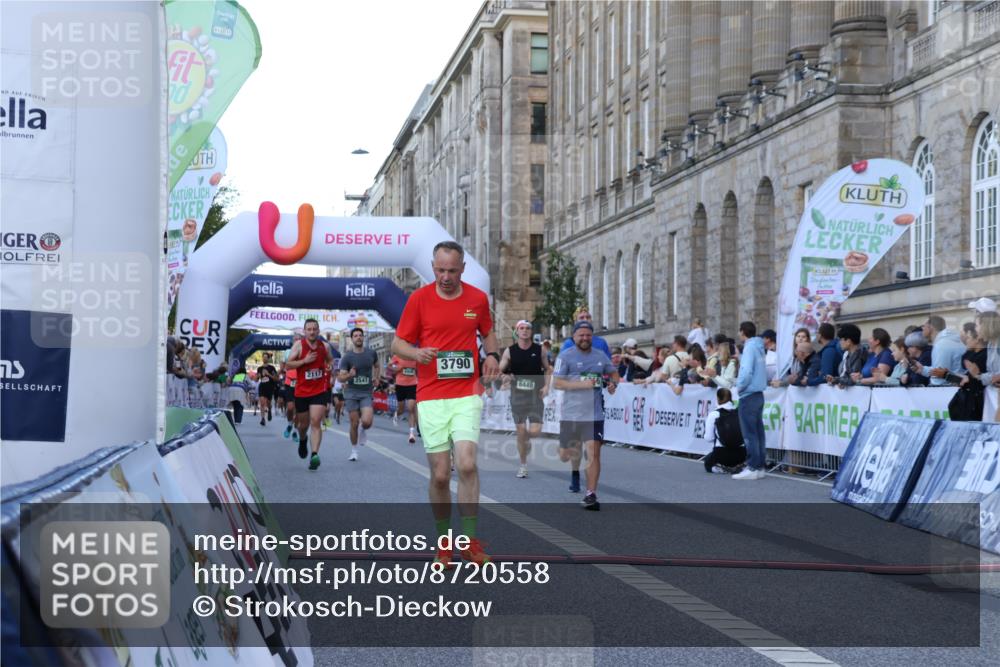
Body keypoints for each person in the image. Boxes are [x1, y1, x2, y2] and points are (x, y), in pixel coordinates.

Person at [391, 240, 500, 568]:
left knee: (466, 465)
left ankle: (468, 543)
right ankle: (443, 544)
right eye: (440, 270)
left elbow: (489, 331)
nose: (446, 276)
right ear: (432, 267)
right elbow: (398, 342)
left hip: (467, 392)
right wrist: (416, 353)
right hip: (432, 396)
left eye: (452, 270)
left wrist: (492, 355)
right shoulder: (418, 300)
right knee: (440, 475)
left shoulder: (477, 299)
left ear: (463, 268)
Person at [553, 320, 620, 509]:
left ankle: (591, 494)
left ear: (592, 337)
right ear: (574, 337)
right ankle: (572, 462)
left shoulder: (600, 356)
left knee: (593, 454)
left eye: (588, 335)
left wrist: (614, 384)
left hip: (594, 413)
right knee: (566, 455)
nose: (584, 338)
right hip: (571, 413)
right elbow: (557, 383)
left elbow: (614, 374)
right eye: (581, 335)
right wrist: (581, 384)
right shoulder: (565, 356)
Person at [499, 319, 552, 478]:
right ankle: (523, 465)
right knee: (521, 431)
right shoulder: (509, 351)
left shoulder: (540, 349)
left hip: (536, 395)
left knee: (534, 432)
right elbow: (499, 371)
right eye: (522, 328)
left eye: (528, 328)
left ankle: (525, 440)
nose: (525, 330)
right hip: (518, 397)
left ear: (531, 331)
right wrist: (506, 377)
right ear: (517, 331)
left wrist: (546, 386)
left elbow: (548, 369)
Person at [285, 320, 332, 470]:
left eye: (314, 329)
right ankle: (303, 440)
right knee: (302, 425)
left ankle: (314, 455)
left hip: (319, 390)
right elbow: (288, 365)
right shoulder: (298, 345)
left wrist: (329, 365)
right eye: (309, 329)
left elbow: (330, 360)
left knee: (316, 421)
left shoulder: (324, 346)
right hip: (302, 392)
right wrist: (304, 361)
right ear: (305, 331)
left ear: (318, 331)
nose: (312, 332)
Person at [339, 327, 380, 462]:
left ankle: (363, 429)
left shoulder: (371, 353)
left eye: (360, 335)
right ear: (352, 339)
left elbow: (377, 365)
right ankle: (354, 451)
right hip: (351, 393)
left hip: (366, 392)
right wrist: (349, 375)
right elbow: (340, 378)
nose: (358, 337)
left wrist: (377, 377)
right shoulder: (347, 357)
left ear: (363, 337)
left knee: (367, 422)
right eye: (355, 336)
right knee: (354, 423)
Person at [732, 321, 767, 480]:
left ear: (742, 332)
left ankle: (753, 466)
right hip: (759, 393)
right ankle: (759, 466)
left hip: (749, 393)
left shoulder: (749, 347)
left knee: (749, 433)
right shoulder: (759, 347)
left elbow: (746, 371)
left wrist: (739, 387)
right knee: (758, 432)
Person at [702, 388, 747, 473]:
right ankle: (739, 466)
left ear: (718, 398)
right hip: (741, 454)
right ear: (731, 398)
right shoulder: (739, 413)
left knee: (707, 462)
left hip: (721, 453)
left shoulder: (714, 414)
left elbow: (709, 438)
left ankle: (722, 467)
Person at [914, 315, 966, 386]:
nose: (922, 328)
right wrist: (923, 369)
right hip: (957, 388)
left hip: (951, 392)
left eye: (924, 326)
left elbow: (938, 380)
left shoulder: (941, 345)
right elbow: (940, 371)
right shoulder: (947, 341)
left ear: (930, 327)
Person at [389, 352, 419, 443]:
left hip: (413, 384)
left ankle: (411, 433)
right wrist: (397, 368)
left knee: (411, 408)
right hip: (400, 384)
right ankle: (396, 415)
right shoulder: (398, 356)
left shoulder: (414, 355)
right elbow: (390, 366)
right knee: (401, 409)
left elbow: (418, 368)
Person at [256, 353, 278, 426]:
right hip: (262, 386)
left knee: (268, 402)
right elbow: (256, 380)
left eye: (266, 357)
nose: (264, 359)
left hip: (270, 387)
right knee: (262, 403)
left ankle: (269, 410)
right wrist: (257, 376)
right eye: (263, 357)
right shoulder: (259, 368)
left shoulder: (272, 368)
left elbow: (276, 379)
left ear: (268, 359)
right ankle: (263, 419)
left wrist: (268, 374)